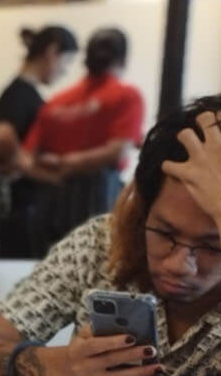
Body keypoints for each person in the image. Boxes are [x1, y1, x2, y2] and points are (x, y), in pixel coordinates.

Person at [0, 92, 221, 376]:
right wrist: (59, 365)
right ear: (143, 209)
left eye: (214, 246)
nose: (179, 265)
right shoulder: (102, 243)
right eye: (163, 233)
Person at [20, 27, 146, 254]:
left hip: (50, 203)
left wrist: (59, 165)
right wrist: (71, 163)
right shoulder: (126, 96)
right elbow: (117, 150)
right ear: (124, 60)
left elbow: (28, 157)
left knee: (50, 266)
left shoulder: (57, 102)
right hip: (98, 200)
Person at [0, 25, 78, 258]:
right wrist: (40, 172)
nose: (65, 71)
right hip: (20, 207)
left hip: (25, 206)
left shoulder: (25, 93)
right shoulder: (19, 93)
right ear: (52, 52)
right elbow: (2, 138)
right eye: (66, 62)